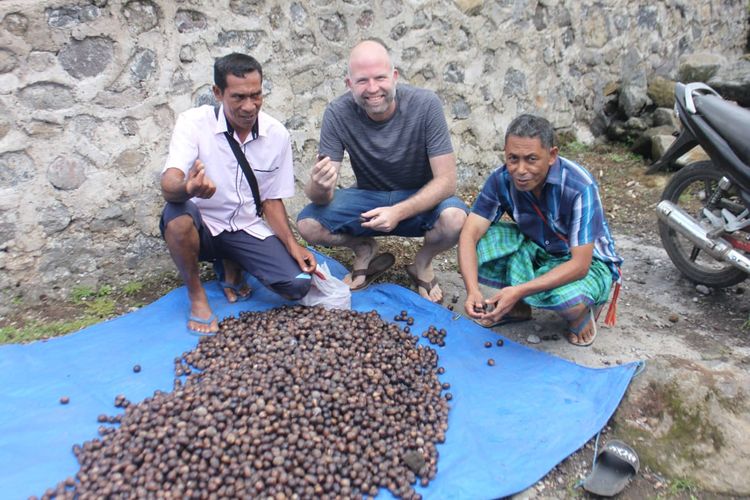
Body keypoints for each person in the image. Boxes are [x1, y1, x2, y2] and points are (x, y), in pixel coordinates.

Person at [296, 39, 467, 303]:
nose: (373, 88)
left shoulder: (426, 105)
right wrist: (318, 184)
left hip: (418, 199)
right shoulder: (337, 113)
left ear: (395, 77)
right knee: (307, 224)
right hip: (368, 199)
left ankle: (421, 263)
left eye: (380, 78)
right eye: (362, 80)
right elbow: (320, 198)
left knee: (455, 218)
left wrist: (398, 212)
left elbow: (446, 182)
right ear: (349, 84)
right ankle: (364, 248)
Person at [160, 52, 316, 335]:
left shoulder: (276, 135)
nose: (249, 106)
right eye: (239, 97)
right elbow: (168, 183)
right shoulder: (193, 124)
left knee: (298, 284)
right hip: (204, 228)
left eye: (256, 95)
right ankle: (196, 294)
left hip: (244, 228)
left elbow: (271, 201)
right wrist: (187, 189)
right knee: (177, 213)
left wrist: (295, 248)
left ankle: (232, 261)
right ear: (218, 93)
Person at [457, 114, 622, 346]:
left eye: (531, 159)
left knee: (569, 301)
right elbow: (469, 233)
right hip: (539, 248)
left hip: (587, 262)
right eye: (513, 158)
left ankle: (581, 313)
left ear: (552, 155)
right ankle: (519, 308)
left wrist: (518, 289)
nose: (521, 170)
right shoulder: (501, 178)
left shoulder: (579, 186)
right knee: (480, 243)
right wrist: (472, 290)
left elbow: (580, 265)